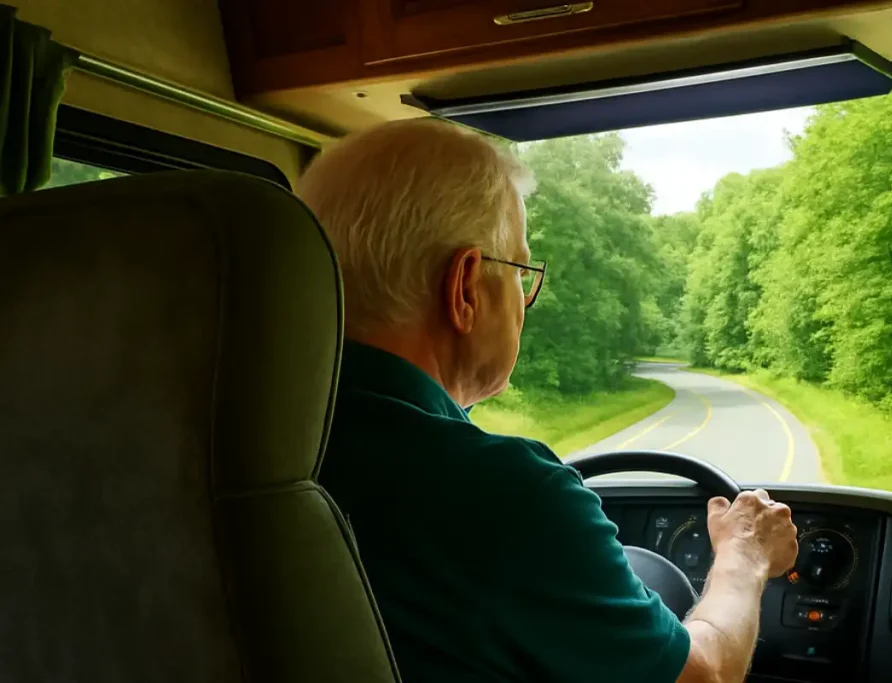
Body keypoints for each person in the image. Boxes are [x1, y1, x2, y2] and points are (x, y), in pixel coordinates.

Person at [297, 119, 799, 683]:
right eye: (519, 272)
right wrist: (745, 556)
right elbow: (703, 674)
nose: (523, 300)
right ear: (465, 287)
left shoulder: (232, 446)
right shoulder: (503, 495)